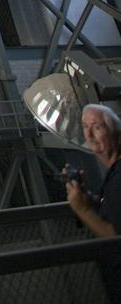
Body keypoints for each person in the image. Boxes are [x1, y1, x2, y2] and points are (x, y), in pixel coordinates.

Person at [67, 102, 121, 302]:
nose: (88, 135)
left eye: (97, 127)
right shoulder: (113, 174)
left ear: (116, 132)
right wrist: (89, 200)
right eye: (85, 127)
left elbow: (115, 236)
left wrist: (82, 209)